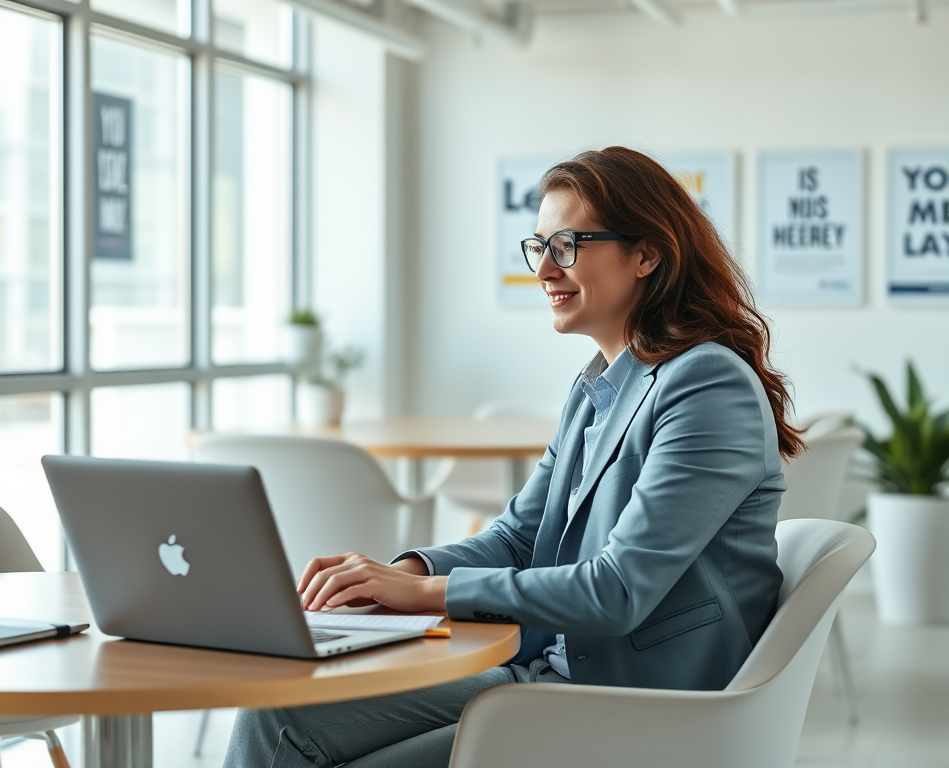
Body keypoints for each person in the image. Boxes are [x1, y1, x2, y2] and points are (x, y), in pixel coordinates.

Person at [224, 146, 803, 768]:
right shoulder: (597, 388)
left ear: (647, 253)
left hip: (637, 706)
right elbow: (521, 536)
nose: (546, 270)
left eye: (568, 245)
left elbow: (617, 590)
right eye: (540, 248)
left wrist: (428, 596)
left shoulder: (706, 383)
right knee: (281, 706)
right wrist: (410, 572)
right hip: (548, 678)